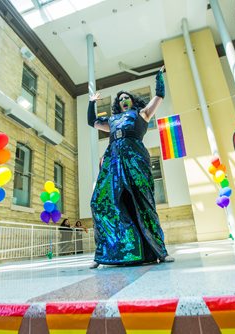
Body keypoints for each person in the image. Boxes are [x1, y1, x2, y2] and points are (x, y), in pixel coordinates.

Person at [87, 66, 174, 268]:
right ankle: (103, 255)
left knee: (144, 203)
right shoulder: (112, 120)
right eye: (120, 99)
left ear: (132, 101)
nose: (123, 100)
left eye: (126, 98)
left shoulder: (142, 114)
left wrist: (158, 76)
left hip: (135, 159)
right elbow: (91, 121)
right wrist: (91, 103)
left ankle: (160, 251)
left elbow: (159, 95)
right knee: (101, 202)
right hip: (113, 159)